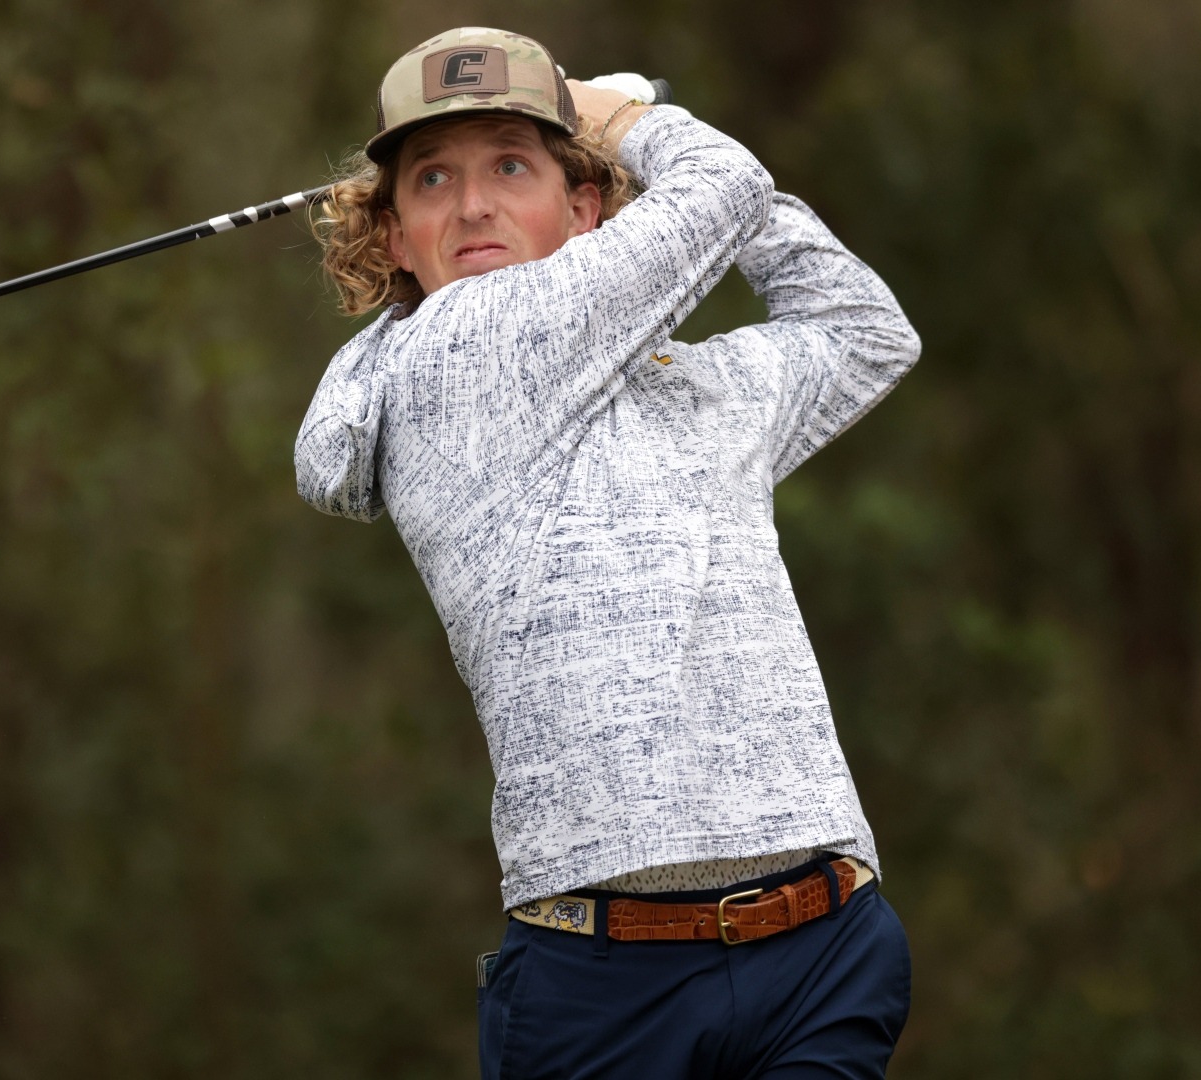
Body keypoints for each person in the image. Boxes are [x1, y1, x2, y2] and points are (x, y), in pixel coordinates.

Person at [297, 26, 921, 1079]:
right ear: (397, 240)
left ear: (586, 206)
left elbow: (864, 326)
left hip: (822, 944)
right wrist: (625, 118)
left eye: (510, 163)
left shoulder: (697, 388)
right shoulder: (452, 361)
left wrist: (624, 138)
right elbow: (724, 187)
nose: (473, 204)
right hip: (607, 989)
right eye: (433, 179)